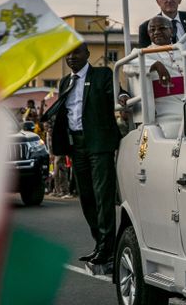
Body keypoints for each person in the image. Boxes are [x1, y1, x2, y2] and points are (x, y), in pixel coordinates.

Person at [42, 43, 122, 266]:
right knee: (86, 197)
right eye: (68, 54)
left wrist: (123, 98)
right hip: (76, 145)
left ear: (87, 54)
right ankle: (100, 244)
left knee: (102, 196)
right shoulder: (65, 82)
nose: (71, 57)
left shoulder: (102, 74)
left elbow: (118, 92)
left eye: (76, 53)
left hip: (98, 143)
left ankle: (108, 247)